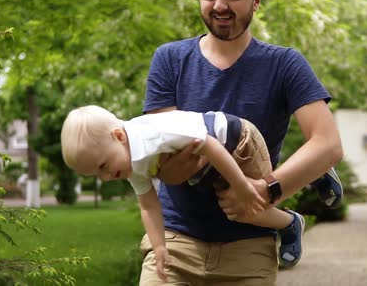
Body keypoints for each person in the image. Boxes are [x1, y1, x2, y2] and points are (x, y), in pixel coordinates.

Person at [139, 0, 344, 285]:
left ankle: (311, 177)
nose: (219, 5)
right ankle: (312, 179)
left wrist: (266, 190)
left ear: (256, 0)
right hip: (175, 244)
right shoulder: (170, 60)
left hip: (248, 250)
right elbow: (167, 162)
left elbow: (328, 143)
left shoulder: (285, 64)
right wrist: (230, 177)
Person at [60, 105, 337, 281]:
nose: (106, 177)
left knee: (249, 203)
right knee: (236, 208)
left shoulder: (152, 136)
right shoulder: (130, 162)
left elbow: (209, 145)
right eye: (97, 175)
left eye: (104, 166)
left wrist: (241, 185)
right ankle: (295, 207)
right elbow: (148, 206)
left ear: (119, 137)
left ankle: (311, 174)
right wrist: (159, 247)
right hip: (208, 167)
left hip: (234, 141)